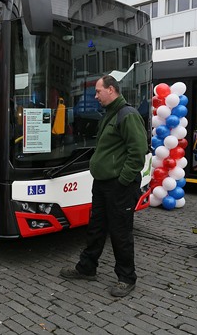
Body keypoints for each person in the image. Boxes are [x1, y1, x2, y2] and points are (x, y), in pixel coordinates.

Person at [59, 74, 147, 297]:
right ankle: (87, 268)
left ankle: (126, 277)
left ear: (111, 89)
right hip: (102, 184)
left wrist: (123, 181)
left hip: (119, 187)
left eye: (98, 91)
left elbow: (137, 154)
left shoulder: (127, 115)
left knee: (120, 232)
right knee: (96, 227)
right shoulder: (109, 114)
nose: (95, 96)